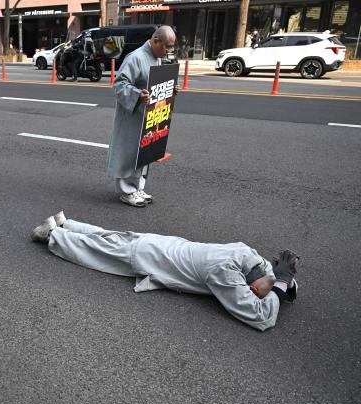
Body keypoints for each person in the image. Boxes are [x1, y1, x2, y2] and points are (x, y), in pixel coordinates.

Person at [31, 213, 299, 331]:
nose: (253, 293)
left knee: (109, 238)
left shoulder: (247, 255)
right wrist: (281, 284)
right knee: (95, 252)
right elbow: (260, 317)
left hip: (160, 244)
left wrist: (280, 280)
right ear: (248, 282)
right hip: (149, 256)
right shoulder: (226, 273)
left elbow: (269, 274)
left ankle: (67, 223)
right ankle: (52, 234)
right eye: (253, 290)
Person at [108, 26, 177, 208]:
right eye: (167, 47)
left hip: (148, 115)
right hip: (132, 115)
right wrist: (138, 94)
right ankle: (126, 191)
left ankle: (137, 187)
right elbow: (119, 85)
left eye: (172, 47)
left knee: (144, 152)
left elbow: (155, 83)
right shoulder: (135, 57)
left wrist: (170, 89)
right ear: (156, 41)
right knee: (128, 152)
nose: (169, 51)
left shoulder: (156, 58)